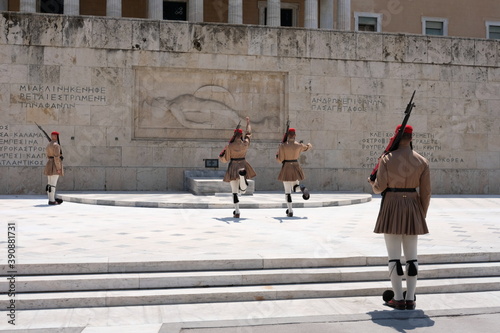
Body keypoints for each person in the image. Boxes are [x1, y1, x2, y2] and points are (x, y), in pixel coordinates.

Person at [368, 124, 431, 310]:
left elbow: (380, 187)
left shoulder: (387, 159)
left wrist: (373, 183)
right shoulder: (422, 161)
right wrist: (421, 214)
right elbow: (426, 193)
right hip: (413, 206)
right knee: (412, 257)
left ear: (396, 138)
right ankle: (410, 298)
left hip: (392, 205)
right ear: (411, 138)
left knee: (394, 257)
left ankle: (397, 298)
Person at [219, 117, 256, 218]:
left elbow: (225, 159)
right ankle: (243, 184)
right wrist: (248, 123)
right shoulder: (245, 143)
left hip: (233, 166)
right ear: (241, 135)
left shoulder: (230, 146)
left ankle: (237, 211)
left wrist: (221, 156)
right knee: (241, 189)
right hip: (243, 164)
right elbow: (248, 134)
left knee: (234, 191)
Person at [276, 128, 312, 217]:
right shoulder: (299, 145)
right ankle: (302, 188)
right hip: (295, 166)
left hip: (286, 167)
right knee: (296, 187)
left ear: (288, 135)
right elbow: (307, 147)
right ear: (295, 135)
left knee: (287, 192)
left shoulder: (283, 145)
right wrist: (309, 145)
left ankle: (290, 211)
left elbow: (280, 160)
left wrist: (278, 152)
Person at [44, 131, 64, 205]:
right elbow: (56, 157)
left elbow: (48, 155)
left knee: (49, 183)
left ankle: (50, 198)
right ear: (56, 137)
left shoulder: (48, 145)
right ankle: (52, 200)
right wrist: (58, 168)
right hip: (54, 165)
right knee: (53, 184)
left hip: (49, 163)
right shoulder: (56, 145)